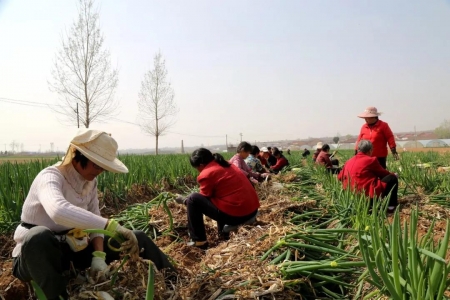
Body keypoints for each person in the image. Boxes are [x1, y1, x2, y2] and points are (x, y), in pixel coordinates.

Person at [11, 129, 175, 300]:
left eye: (103, 167)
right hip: (34, 257)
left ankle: (176, 282)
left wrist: (99, 255)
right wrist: (110, 225)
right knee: (38, 236)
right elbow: (58, 211)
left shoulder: (90, 182)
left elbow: (94, 215)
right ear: (77, 155)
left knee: (137, 237)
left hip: (71, 249)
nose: (98, 171)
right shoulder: (51, 177)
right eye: (96, 165)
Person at [175, 148, 260, 248]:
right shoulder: (227, 164)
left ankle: (199, 242)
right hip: (252, 210)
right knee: (220, 197)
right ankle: (223, 234)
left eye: (197, 168)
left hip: (239, 215)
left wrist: (185, 200)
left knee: (193, 199)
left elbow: (204, 198)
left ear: (201, 165)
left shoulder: (207, 173)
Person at [338, 140, 399, 213]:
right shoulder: (371, 160)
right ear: (370, 150)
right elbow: (384, 174)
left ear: (358, 150)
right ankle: (390, 207)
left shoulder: (348, 161)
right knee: (392, 178)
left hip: (350, 199)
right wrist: (394, 174)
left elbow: (339, 177)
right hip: (367, 197)